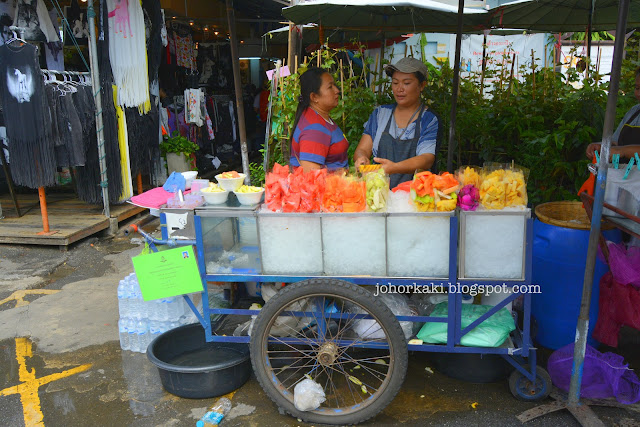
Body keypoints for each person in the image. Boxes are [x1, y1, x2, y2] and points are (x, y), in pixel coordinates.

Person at [354, 57, 441, 189]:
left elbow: (426, 159)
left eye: (406, 83)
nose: (399, 89)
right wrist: (361, 158)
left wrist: (394, 168)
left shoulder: (428, 119)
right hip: (378, 193)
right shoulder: (380, 114)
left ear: (422, 85)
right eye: (395, 83)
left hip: (415, 196)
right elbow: (362, 149)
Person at [289, 67, 348, 171]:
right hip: (328, 187)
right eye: (330, 87)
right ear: (314, 97)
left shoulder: (320, 118)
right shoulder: (314, 129)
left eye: (334, 85)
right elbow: (313, 178)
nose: (337, 90)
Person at [586, 66, 640, 160]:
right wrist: (601, 146)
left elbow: (619, 149)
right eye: (637, 88)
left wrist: (622, 151)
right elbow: (616, 141)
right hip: (624, 173)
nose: (638, 94)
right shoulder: (634, 112)